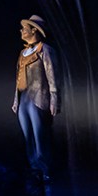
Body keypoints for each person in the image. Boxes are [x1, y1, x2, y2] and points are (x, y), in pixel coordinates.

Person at [13, 14, 60, 183]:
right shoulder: (23, 52)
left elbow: (52, 75)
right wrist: (15, 100)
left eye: (24, 29)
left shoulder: (45, 50)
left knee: (40, 135)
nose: (21, 31)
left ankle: (45, 170)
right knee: (28, 137)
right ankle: (34, 170)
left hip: (38, 97)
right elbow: (18, 78)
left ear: (33, 30)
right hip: (24, 98)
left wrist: (54, 98)